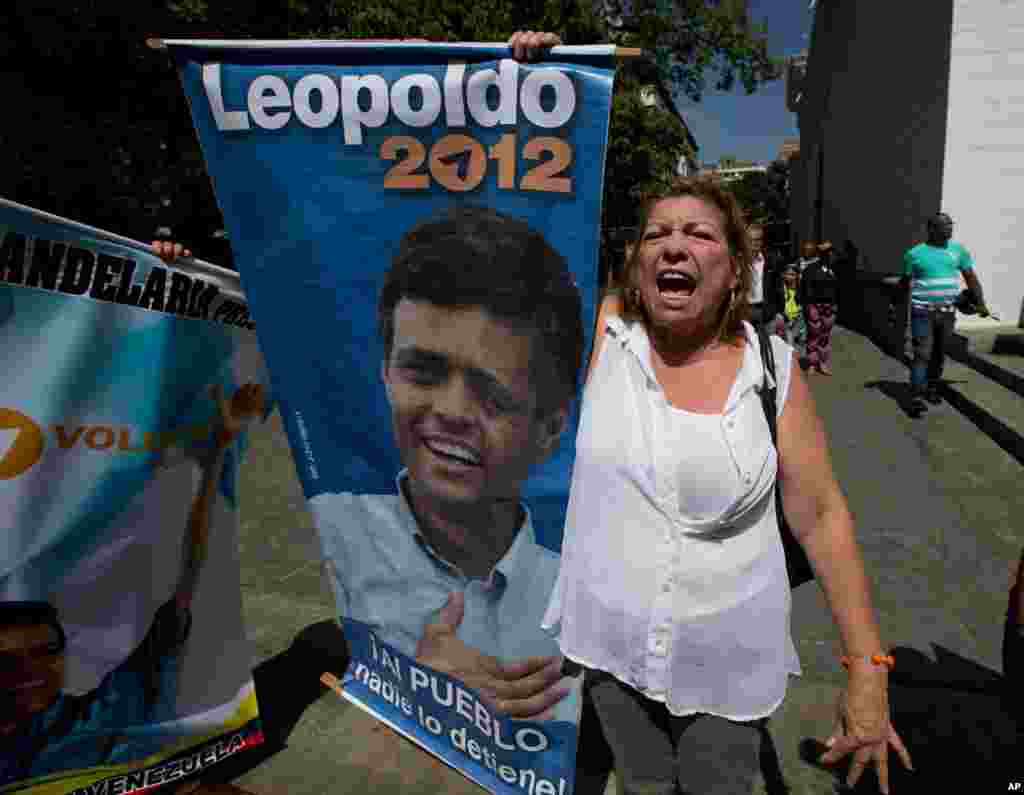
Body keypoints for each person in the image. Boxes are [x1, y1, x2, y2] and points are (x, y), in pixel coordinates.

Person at [517, 33, 915, 793]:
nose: (674, 246)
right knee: (643, 783)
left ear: (735, 268)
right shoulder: (601, 336)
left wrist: (868, 670)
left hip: (727, 660)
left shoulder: (772, 368)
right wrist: (535, 97)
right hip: (608, 647)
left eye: (698, 235)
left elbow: (824, 516)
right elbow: (524, 232)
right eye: (657, 235)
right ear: (636, 263)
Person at [308, 205, 583, 723]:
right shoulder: (322, 530)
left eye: (493, 393)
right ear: (385, 373)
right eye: (423, 371)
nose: (453, 412)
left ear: (551, 426)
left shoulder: (580, 603)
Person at [0, 383, 263, 785]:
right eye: (9, 662)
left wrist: (216, 456)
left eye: (44, 651)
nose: (31, 671)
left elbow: (193, 571)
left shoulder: (106, 712)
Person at [901, 212, 989, 416]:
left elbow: (970, 277)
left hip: (948, 314)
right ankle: (916, 395)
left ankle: (931, 388)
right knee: (922, 353)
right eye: (945, 225)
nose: (950, 228)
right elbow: (905, 283)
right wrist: (896, 300)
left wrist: (981, 303)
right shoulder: (914, 254)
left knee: (939, 354)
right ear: (931, 229)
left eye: (951, 225)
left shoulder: (958, 251)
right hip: (922, 312)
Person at [801, 241, 840, 376]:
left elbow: (838, 288)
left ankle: (822, 362)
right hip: (814, 305)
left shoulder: (835, 269)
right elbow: (805, 289)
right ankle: (812, 363)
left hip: (830, 306)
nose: (831, 255)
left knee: (824, 336)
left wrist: (834, 304)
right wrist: (808, 306)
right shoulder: (810, 269)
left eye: (831, 252)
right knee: (813, 334)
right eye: (828, 252)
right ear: (821, 254)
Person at [775, 264, 806, 356]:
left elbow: (803, 307)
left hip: (797, 321)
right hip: (784, 320)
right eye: (787, 274)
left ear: (797, 275)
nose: (789, 277)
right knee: (789, 344)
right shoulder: (780, 288)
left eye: (792, 274)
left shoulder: (801, 289)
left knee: (794, 345)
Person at [746, 224, 768, 327]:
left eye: (758, 239)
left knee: (766, 342)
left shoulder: (770, 261)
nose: (755, 243)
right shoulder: (739, 261)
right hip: (744, 309)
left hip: (764, 310)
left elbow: (778, 287)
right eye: (751, 239)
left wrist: (776, 311)